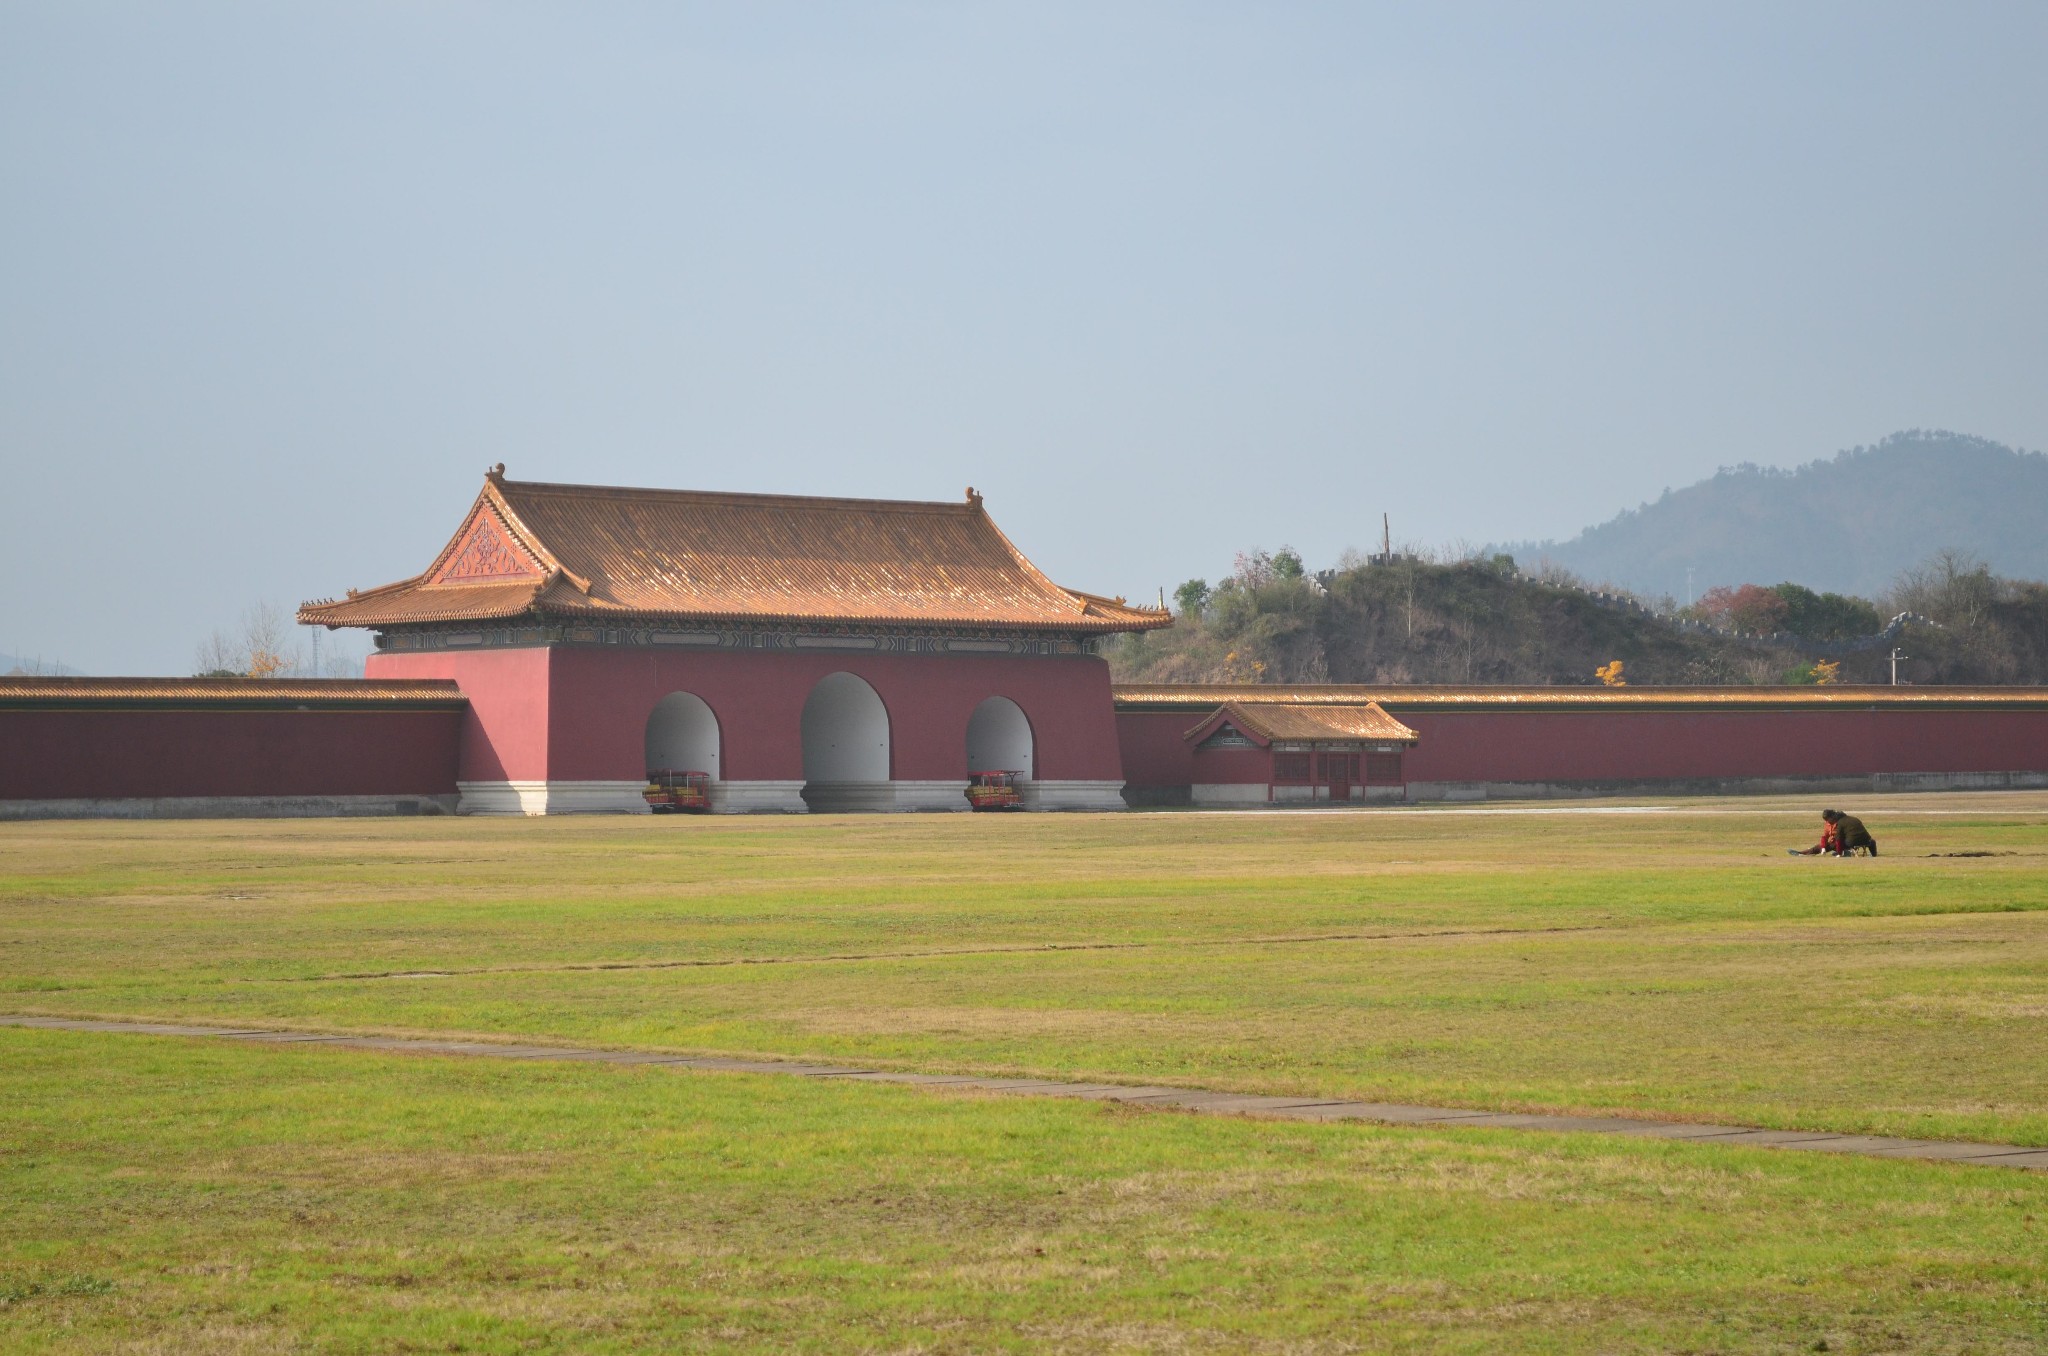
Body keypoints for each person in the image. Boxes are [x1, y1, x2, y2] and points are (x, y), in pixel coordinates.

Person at [1791, 808, 1878, 857]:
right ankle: (1804, 853)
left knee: (1832, 844)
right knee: (1827, 845)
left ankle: (1803, 853)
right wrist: (1824, 847)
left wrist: (1839, 853)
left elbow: (1839, 839)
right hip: (1866, 840)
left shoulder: (1839, 823)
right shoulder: (1854, 819)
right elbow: (1825, 836)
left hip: (1848, 842)